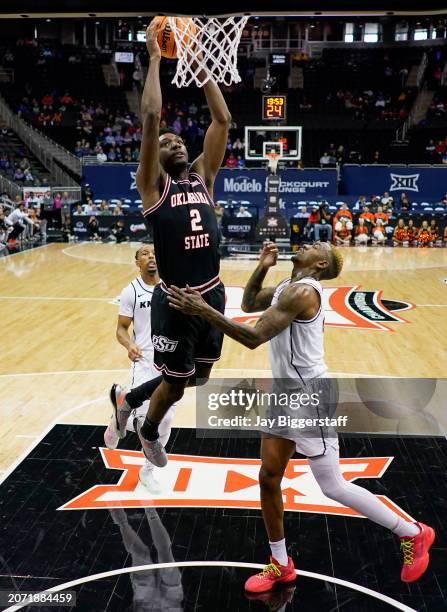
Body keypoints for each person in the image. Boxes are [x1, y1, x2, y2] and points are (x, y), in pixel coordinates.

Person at [167, 240, 435, 593]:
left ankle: (413, 533)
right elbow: (249, 303)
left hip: (310, 395)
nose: (307, 243)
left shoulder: (304, 294)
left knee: (332, 485)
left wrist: (203, 309)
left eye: (316, 245)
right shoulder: (285, 286)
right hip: (283, 394)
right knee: (268, 477)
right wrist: (263, 265)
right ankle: (280, 564)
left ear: (320, 264)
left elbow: (253, 336)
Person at [107, 20, 229, 468]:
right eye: (166, 143)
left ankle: (133, 397)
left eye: (179, 140)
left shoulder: (203, 177)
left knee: (199, 376)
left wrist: (200, 65)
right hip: (176, 299)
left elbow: (222, 120)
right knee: (176, 383)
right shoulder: (152, 186)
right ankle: (148, 429)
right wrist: (157, 61)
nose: (174, 142)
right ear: (155, 157)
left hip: (213, 290)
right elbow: (152, 117)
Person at [104, 246, 175, 493]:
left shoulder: (170, 286)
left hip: (171, 362)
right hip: (144, 361)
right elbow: (121, 328)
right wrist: (129, 344)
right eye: (145, 253)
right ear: (137, 262)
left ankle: (147, 470)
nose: (151, 256)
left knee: (164, 421)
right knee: (147, 421)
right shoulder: (131, 291)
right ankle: (122, 411)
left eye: (155, 252)